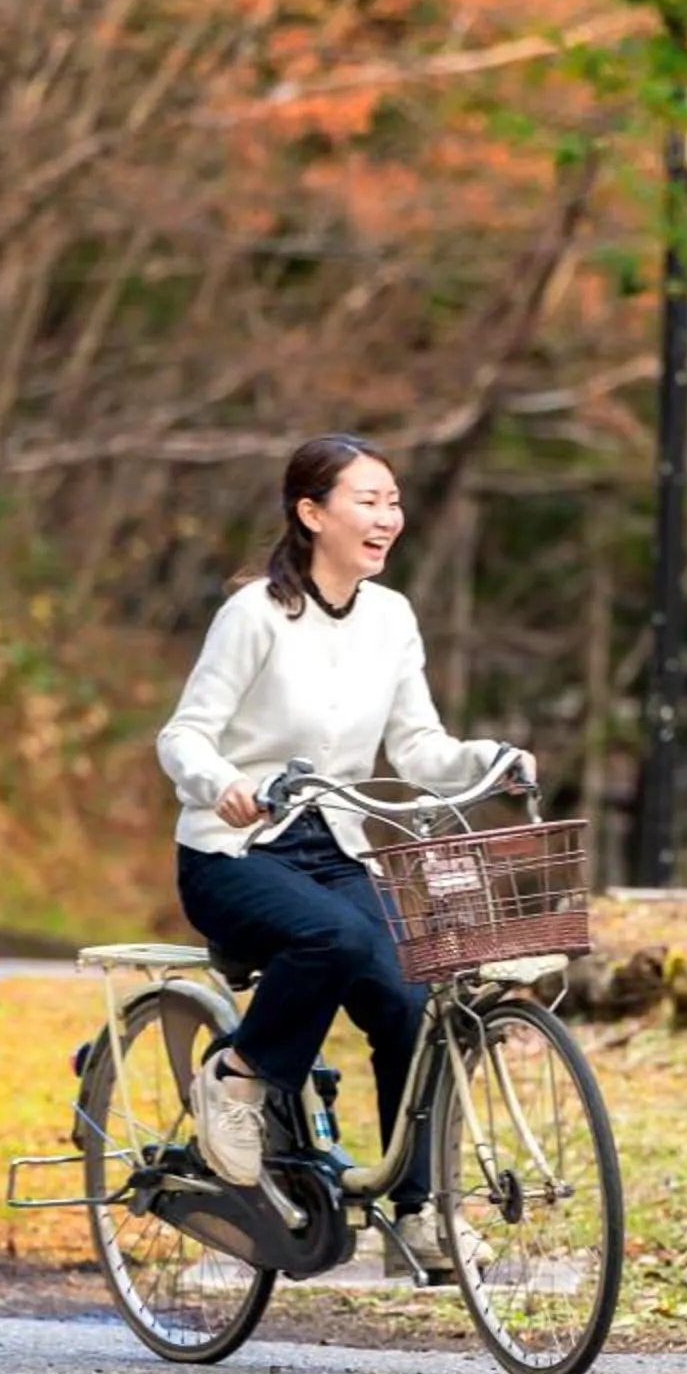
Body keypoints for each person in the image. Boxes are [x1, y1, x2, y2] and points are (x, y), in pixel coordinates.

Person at [157, 433, 529, 1275]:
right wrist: (218, 782)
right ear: (311, 512)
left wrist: (488, 759)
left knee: (413, 997)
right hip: (235, 851)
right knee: (335, 939)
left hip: (338, 848)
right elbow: (184, 733)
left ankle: (421, 1213)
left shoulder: (391, 617)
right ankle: (239, 1076)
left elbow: (421, 747)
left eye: (393, 501)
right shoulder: (254, 614)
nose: (387, 517)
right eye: (367, 500)